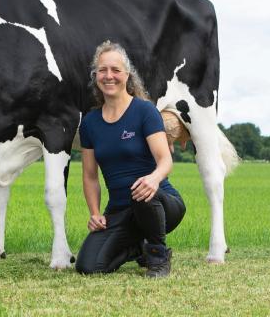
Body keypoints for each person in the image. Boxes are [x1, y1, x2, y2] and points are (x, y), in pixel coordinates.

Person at [75, 41, 186, 278]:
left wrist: (153, 179)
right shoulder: (90, 124)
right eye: (103, 70)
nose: (109, 76)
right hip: (120, 211)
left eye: (115, 70)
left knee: (141, 194)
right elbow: (90, 176)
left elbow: (165, 161)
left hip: (160, 203)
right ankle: (138, 247)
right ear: (95, 76)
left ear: (127, 74)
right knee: (88, 266)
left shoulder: (145, 111)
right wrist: (95, 213)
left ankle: (158, 256)